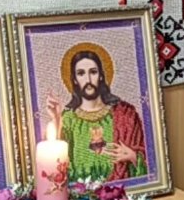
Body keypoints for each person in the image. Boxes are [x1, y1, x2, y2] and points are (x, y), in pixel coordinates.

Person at [45, 43, 148, 181]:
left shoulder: (125, 114)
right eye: (81, 73)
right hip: (81, 192)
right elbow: (56, 163)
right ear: (74, 80)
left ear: (101, 76)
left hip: (121, 190)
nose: (88, 80)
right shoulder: (68, 119)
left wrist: (133, 156)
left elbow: (150, 159)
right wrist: (56, 120)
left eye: (93, 72)